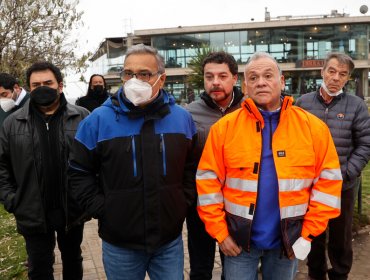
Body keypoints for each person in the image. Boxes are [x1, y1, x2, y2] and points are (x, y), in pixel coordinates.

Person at [196, 52, 343, 280]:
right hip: (239, 242)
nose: (261, 82)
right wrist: (220, 233)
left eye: (268, 75)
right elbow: (207, 183)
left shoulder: (313, 128)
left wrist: (307, 234)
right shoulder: (223, 129)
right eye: (253, 78)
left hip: (288, 242)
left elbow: (328, 184)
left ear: (282, 81)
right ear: (245, 86)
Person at [68, 44, 197, 280]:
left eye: (144, 74)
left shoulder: (182, 119)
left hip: (168, 241)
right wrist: (103, 208)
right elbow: (78, 171)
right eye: (128, 73)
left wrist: (182, 201)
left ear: (162, 78)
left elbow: (192, 168)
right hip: (120, 244)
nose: (134, 80)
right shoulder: (98, 120)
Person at [0, 61, 89, 280]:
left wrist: (90, 199)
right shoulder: (12, 123)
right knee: (39, 267)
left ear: (60, 85)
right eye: (36, 84)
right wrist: (12, 199)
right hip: (31, 210)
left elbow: (96, 161)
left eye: (47, 82)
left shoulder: (82, 117)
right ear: (29, 88)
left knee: (73, 261)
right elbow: (1, 166)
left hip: (72, 209)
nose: (42, 87)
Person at [296, 52, 370, 280]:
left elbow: (365, 144)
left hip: (343, 186)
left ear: (347, 78)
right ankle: (315, 273)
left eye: (342, 74)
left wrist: (347, 173)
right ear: (322, 72)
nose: (336, 78)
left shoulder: (356, 105)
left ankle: (340, 274)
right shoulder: (303, 103)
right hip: (311, 185)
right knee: (313, 234)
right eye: (332, 71)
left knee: (341, 237)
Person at [186, 51, 244, 280]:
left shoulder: (250, 111)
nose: (215, 82)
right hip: (200, 203)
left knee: (234, 266)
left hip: (237, 203)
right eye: (209, 77)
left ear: (235, 78)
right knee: (200, 268)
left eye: (222, 75)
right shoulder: (189, 113)